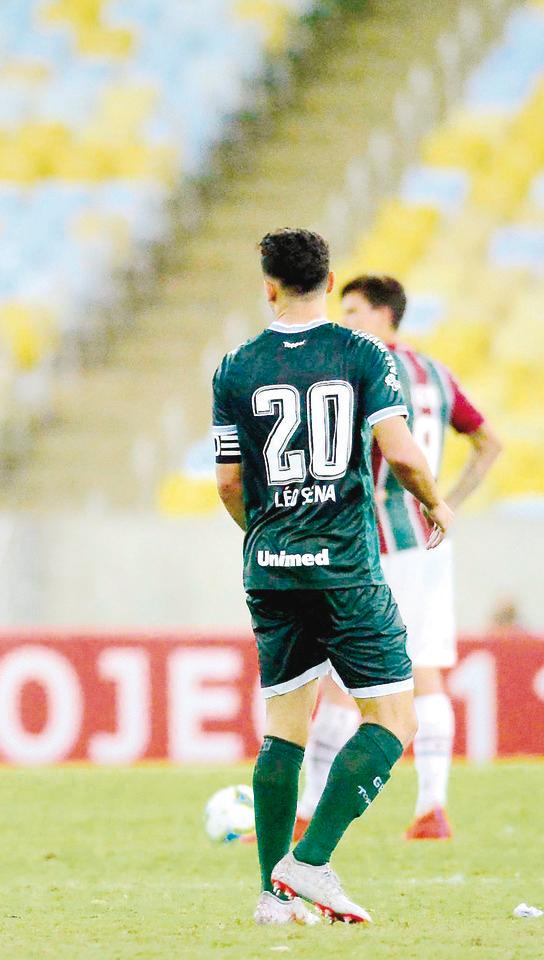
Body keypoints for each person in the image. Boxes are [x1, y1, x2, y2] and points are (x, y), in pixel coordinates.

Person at [211, 229, 454, 924]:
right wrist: (434, 502)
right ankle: (310, 863)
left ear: (268, 284)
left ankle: (271, 896)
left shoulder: (235, 366)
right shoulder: (361, 354)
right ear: (329, 280)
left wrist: (262, 535)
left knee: (282, 727)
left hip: (272, 565)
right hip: (345, 565)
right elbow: (402, 454)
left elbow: (229, 482)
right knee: (393, 717)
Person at [295, 275, 502, 841]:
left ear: (385, 315)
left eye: (355, 309)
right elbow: (489, 442)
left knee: (341, 676)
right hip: (430, 544)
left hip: (375, 545)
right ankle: (431, 808)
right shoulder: (434, 372)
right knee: (427, 671)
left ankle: (307, 811)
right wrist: (446, 505)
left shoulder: (360, 370)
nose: (346, 320)